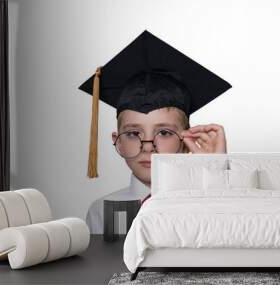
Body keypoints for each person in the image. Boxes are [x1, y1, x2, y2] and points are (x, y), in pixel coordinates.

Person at [79, 30, 232, 234]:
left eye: (165, 133)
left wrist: (215, 173)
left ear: (187, 139)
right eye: (133, 133)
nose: (149, 146)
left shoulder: (209, 204)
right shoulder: (101, 212)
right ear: (118, 142)